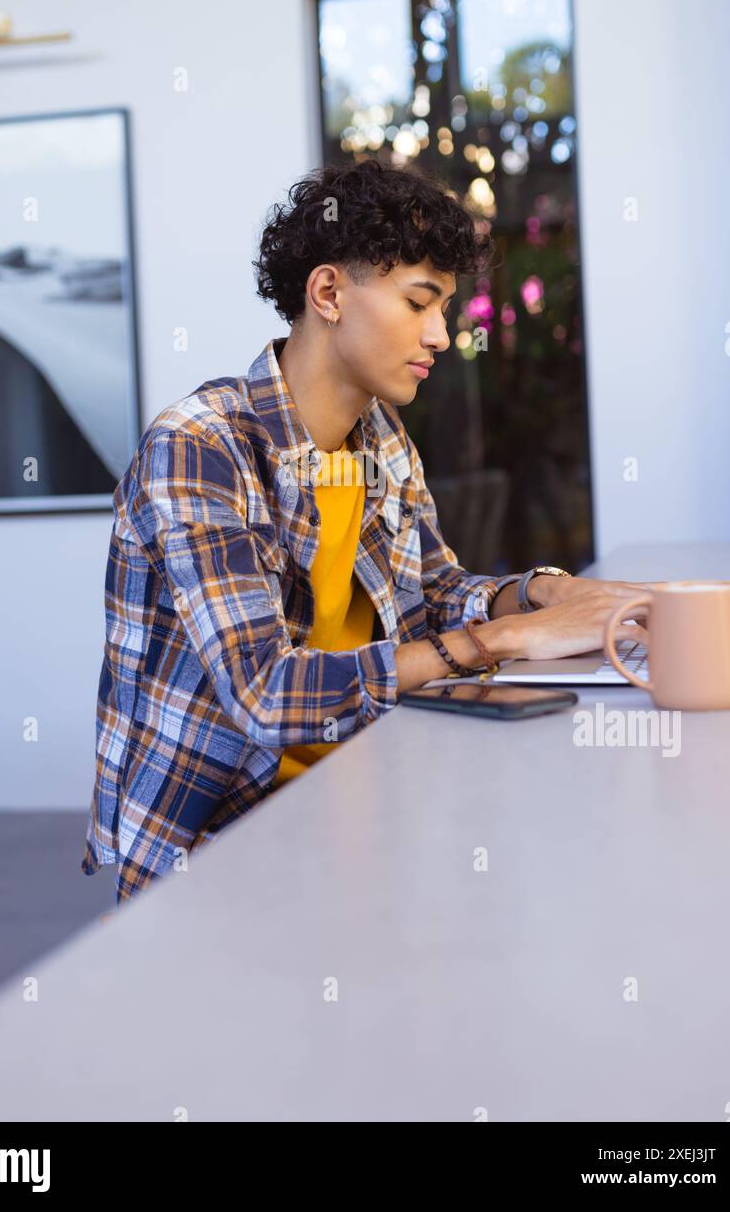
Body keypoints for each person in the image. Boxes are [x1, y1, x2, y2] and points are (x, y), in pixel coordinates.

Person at [81, 159, 651, 905]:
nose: (441, 336)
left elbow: (436, 595)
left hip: (364, 795)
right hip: (218, 848)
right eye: (420, 303)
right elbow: (264, 696)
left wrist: (544, 594)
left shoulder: (378, 437)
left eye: (444, 308)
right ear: (327, 294)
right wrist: (504, 641)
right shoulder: (200, 447)